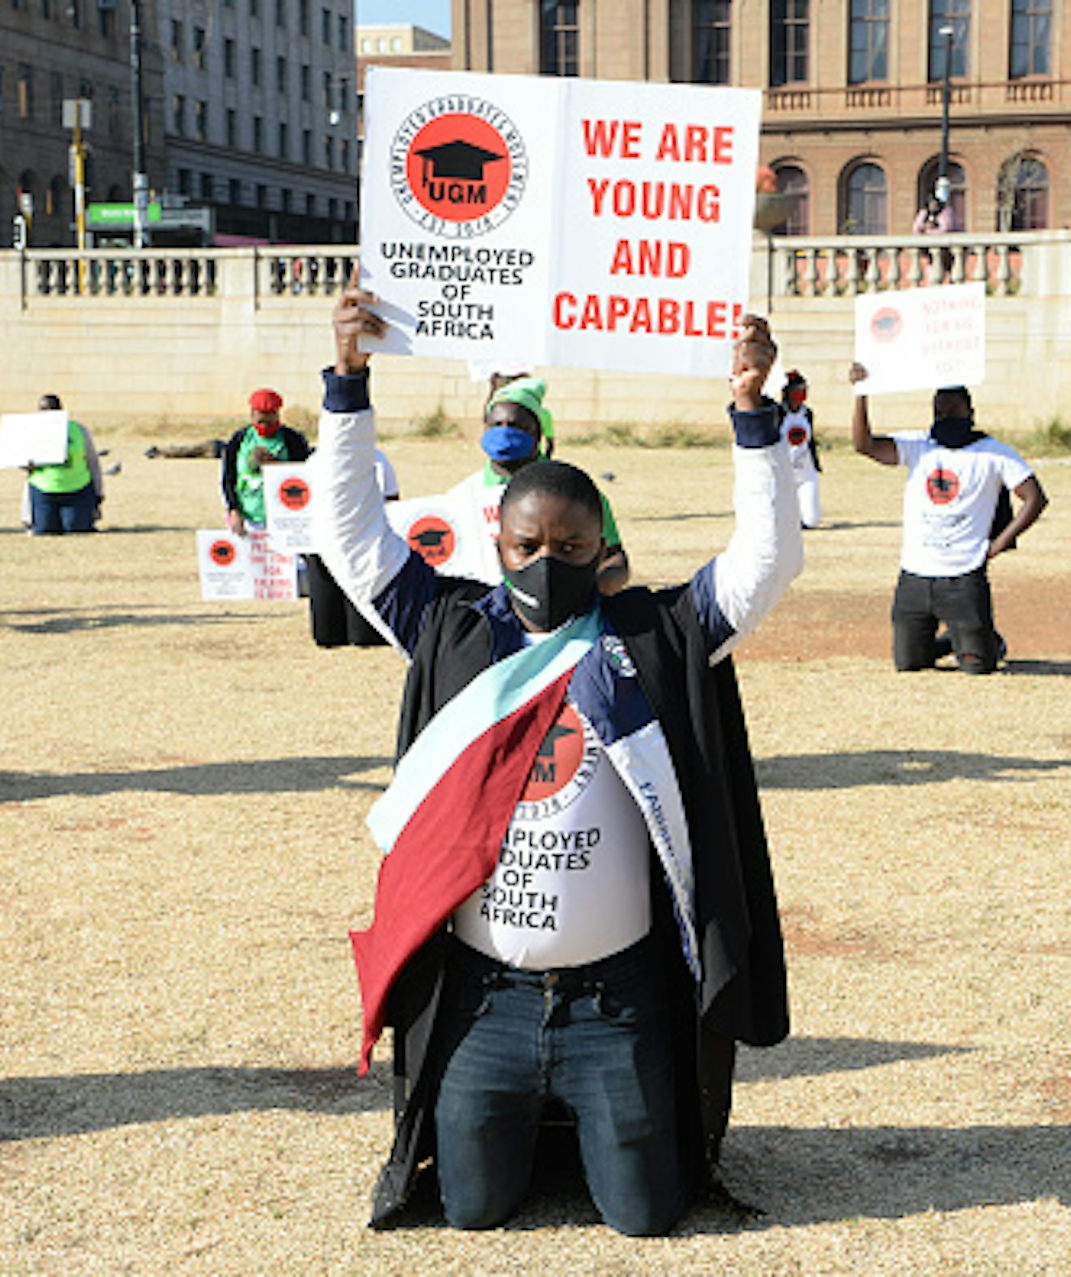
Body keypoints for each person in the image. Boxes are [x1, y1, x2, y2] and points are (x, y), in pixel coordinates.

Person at [317, 286, 798, 1235]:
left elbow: (765, 562)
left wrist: (752, 415)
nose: (549, 560)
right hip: (484, 998)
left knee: (647, 1215)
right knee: (471, 1210)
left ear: (604, 549)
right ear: (497, 545)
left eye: (573, 544)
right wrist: (346, 383)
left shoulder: (657, 632)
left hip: (613, 1001)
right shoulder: (455, 630)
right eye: (529, 544)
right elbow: (350, 537)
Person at [851, 369, 1047, 674]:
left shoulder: (994, 453)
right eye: (939, 410)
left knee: (979, 667)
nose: (945, 416)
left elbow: (1034, 498)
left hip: (963, 577)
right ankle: (954, 640)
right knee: (909, 663)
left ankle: (986, 641)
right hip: (914, 576)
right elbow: (864, 445)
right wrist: (861, 392)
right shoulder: (918, 445)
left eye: (953, 409)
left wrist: (999, 544)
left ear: (970, 411)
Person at [448, 374, 631, 594]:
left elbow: (616, 562)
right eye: (496, 425)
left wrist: (585, 594)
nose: (504, 432)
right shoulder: (463, 497)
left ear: (537, 433)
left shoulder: (574, 493)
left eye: (516, 426)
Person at [221, 388, 312, 538]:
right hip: (248, 519)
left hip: (284, 519)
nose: (264, 427)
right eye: (260, 422)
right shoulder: (239, 440)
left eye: (269, 422)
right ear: (252, 415)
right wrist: (233, 510)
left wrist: (275, 464)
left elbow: (305, 477)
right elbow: (228, 478)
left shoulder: (292, 440)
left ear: (277, 415)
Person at [25, 393, 103, 535]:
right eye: (43, 410)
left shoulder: (78, 430)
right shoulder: (31, 431)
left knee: (76, 530)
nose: (48, 413)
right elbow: (27, 473)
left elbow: (92, 462)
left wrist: (98, 493)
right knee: (44, 531)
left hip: (77, 489)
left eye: (52, 409)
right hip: (44, 490)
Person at [780, 369, 822, 529]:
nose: (801, 393)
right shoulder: (778, 413)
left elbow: (810, 441)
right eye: (797, 389)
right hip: (785, 470)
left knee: (812, 520)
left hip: (806, 470)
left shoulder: (807, 413)